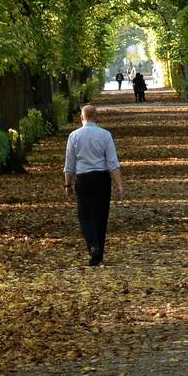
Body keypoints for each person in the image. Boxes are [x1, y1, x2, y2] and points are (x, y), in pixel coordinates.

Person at [63, 104, 123, 266]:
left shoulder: (74, 136)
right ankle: (99, 252)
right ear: (96, 117)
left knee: (85, 214)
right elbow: (112, 161)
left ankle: (93, 246)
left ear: (81, 117)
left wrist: (68, 185)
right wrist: (118, 184)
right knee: (101, 214)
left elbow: (70, 164)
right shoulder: (105, 135)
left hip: (84, 179)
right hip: (102, 178)